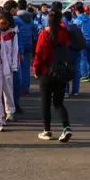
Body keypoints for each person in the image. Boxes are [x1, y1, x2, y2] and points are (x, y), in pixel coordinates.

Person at [33, 10, 73, 142]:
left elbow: (40, 53)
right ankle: (66, 127)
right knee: (58, 103)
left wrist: (36, 69)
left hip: (46, 71)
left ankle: (47, 130)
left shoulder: (44, 34)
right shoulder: (65, 33)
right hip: (61, 71)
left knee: (45, 103)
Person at [14, 0, 35, 95]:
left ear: (17, 7)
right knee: (26, 68)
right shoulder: (30, 19)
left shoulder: (15, 19)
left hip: (19, 45)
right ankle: (26, 89)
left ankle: (20, 88)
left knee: (18, 68)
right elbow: (35, 32)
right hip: (29, 44)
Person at [73, 2, 90, 81]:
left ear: (77, 11)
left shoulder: (77, 20)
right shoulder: (89, 19)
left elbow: (75, 32)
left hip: (83, 40)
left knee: (83, 58)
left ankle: (84, 75)